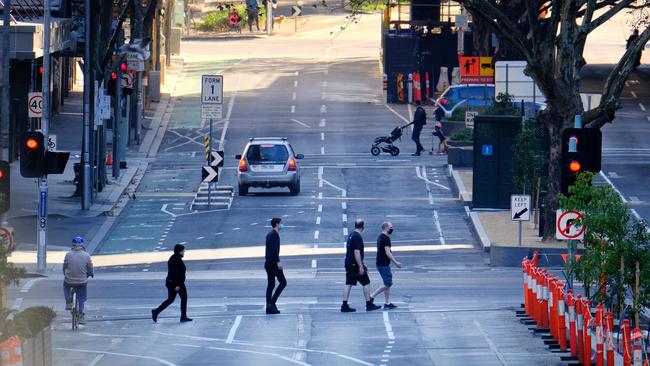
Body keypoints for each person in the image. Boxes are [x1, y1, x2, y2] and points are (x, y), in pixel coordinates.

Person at [341, 219, 382, 312]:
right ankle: (369, 304)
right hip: (354, 264)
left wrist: (362, 263)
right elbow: (356, 252)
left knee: (349, 283)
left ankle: (344, 305)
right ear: (363, 227)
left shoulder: (351, 235)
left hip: (349, 263)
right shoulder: (357, 237)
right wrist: (360, 266)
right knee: (366, 282)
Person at [152, 244, 192, 323]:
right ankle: (183, 317)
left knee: (171, 299)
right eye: (183, 250)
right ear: (179, 251)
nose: (184, 252)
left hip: (173, 283)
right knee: (183, 298)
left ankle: (156, 311)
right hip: (176, 283)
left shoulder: (175, 258)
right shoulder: (176, 259)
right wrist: (177, 285)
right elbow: (175, 273)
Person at [370, 222, 402, 309]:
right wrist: (396, 262)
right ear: (386, 228)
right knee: (388, 283)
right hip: (383, 264)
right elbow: (388, 252)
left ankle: (387, 303)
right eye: (391, 227)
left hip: (381, 263)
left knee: (386, 283)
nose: (392, 229)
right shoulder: (386, 238)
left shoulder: (380, 237)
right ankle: (371, 296)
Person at [63, 236, 94, 325]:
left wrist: (65, 274)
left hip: (69, 280)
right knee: (82, 298)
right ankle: (81, 315)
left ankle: (68, 302)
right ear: (82, 245)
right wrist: (90, 274)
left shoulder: (68, 254)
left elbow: (64, 266)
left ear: (72, 245)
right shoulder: (86, 255)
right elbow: (90, 268)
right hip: (82, 281)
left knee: (65, 285)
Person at [265, 217, 287, 314]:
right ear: (277, 224)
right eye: (281, 223)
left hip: (268, 263)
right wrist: (278, 263)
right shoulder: (275, 235)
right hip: (273, 263)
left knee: (271, 285)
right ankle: (272, 303)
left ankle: (268, 307)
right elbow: (274, 251)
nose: (282, 225)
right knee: (283, 282)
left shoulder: (270, 234)